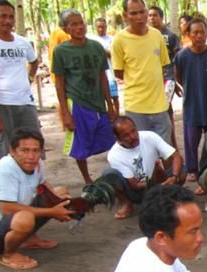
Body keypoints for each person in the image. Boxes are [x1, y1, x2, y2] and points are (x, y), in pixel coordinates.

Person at [0, 128, 74, 270]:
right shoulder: (5, 169)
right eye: (24, 150)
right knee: (25, 218)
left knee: (60, 193)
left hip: (14, 217)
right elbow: (7, 209)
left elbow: (43, 184)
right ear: (12, 151)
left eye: (36, 150)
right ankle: (8, 254)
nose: (31, 156)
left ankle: (28, 239)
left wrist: (60, 203)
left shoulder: (37, 164)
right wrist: (52, 212)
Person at [52, 9, 117, 184]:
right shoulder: (61, 51)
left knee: (113, 141)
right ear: (66, 29)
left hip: (98, 103)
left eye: (81, 22)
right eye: (74, 24)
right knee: (80, 146)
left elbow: (102, 76)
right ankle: (88, 180)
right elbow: (60, 83)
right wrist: (65, 113)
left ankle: (117, 176)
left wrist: (110, 104)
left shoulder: (96, 47)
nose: (79, 27)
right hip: (77, 103)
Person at [112, 0, 173, 146]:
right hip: (136, 107)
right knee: (141, 151)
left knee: (164, 150)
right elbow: (119, 72)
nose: (139, 17)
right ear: (125, 15)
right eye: (134, 13)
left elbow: (164, 65)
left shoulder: (157, 35)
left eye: (142, 12)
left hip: (159, 106)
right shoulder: (119, 40)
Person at [104, 116, 185, 220]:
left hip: (156, 181)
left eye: (133, 130)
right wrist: (154, 181)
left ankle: (166, 195)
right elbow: (135, 185)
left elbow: (176, 156)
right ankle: (126, 203)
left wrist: (174, 177)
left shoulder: (149, 136)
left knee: (181, 170)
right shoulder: (114, 155)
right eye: (126, 135)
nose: (133, 136)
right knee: (109, 174)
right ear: (118, 139)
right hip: (136, 191)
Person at [0, 0, 40, 162]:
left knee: (32, 147)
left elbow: (34, 61)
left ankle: (34, 185)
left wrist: (29, 79)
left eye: (11, 17)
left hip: (26, 104)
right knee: (5, 153)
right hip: (1, 105)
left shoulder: (22, 42)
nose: (7, 21)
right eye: (2, 16)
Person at [174, 18, 207, 186]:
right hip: (192, 106)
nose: (199, 36)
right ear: (188, 35)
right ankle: (192, 169)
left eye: (202, 32)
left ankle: (206, 166)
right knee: (191, 140)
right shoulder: (182, 56)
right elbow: (178, 76)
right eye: (195, 32)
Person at [148, 5, 181, 149]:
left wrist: (177, 81)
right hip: (152, 79)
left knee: (165, 110)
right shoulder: (147, 36)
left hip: (168, 79)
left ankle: (171, 146)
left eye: (154, 15)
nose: (152, 18)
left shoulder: (171, 36)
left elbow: (177, 59)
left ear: (161, 17)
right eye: (149, 15)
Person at [89, 17, 120, 113]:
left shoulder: (112, 39)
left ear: (106, 27)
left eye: (103, 27)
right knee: (99, 96)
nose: (101, 29)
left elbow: (113, 54)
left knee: (114, 96)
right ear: (95, 27)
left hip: (110, 73)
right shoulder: (91, 40)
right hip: (96, 73)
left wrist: (99, 50)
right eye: (98, 27)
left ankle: (117, 115)